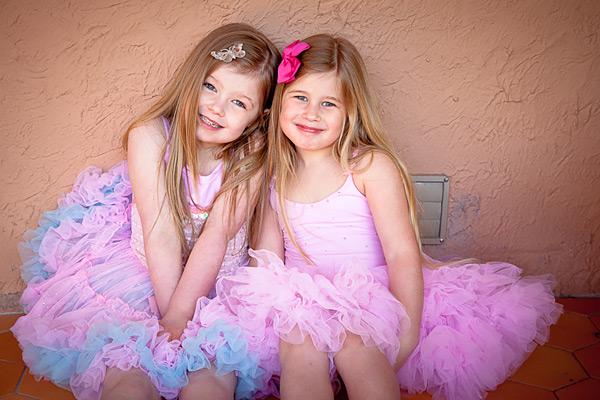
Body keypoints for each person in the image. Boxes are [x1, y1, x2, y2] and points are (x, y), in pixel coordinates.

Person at [193, 34, 563, 400]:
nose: (310, 114)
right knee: (298, 350)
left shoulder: (369, 166)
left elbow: (402, 252)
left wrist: (409, 331)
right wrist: (262, 308)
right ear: (280, 102)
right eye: (300, 97)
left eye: (329, 104)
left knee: (360, 347)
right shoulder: (275, 173)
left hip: (370, 293)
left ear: (351, 112)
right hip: (302, 296)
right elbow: (270, 256)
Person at [11, 23, 280, 400]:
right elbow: (160, 232)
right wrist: (171, 320)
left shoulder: (253, 155)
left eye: (239, 102)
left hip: (220, 287)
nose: (217, 107)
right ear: (192, 80)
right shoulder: (151, 135)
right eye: (211, 86)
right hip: (143, 276)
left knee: (213, 376)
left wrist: (186, 322)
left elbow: (218, 234)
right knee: (128, 370)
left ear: (258, 118)